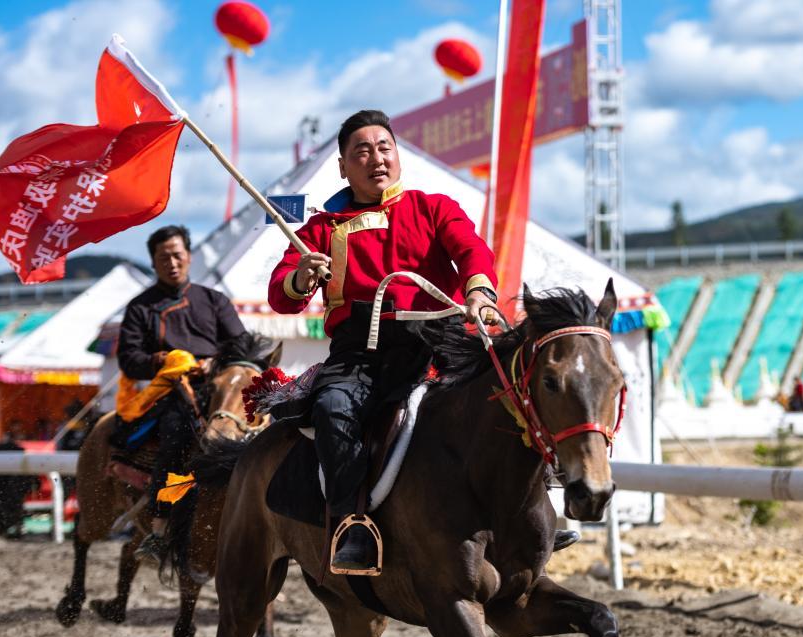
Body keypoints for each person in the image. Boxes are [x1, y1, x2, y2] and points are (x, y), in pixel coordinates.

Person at [268, 109, 577, 571]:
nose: (376, 158)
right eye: (362, 151)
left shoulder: (433, 207)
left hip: (441, 342)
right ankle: (352, 523)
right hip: (362, 353)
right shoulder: (319, 230)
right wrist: (300, 277)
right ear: (343, 167)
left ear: (397, 155)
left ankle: (535, 512)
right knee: (333, 408)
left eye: (384, 147)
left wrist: (478, 292)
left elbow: (471, 250)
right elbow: (281, 295)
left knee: (511, 391)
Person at [118, 225, 247, 563]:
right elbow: (129, 360)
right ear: (153, 262)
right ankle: (160, 525)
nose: (172, 263)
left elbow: (240, 344)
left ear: (189, 256)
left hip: (221, 389)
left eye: (177, 255)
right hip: (171, 394)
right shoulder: (140, 308)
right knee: (177, 436)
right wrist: (165, 361)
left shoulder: (214, 300)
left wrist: (214, 362)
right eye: (164, 258)